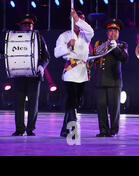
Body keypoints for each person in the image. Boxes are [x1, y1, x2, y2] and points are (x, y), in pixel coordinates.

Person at [54, 9, 94, 137]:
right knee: (72, 99)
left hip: (82, 71)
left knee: (76, 101)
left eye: (81, 20)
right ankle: (73, 127)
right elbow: (56, 53)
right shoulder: (64, 36)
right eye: (76, 20)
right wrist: (67, 46)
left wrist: (77, 18)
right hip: (71, 71)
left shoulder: (85, 35)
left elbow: (91, 31)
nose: (78, 22)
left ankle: (64, 129)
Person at [10, 14, 50, 136]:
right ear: (20, 26)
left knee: (33, 103)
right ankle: (19, 129)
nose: (27, 26)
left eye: (30, 24)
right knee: (19, 103)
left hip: (34, 75)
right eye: (25, 24)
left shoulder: (38, 38)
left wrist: (41, 66)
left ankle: (30, 129)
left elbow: (46, 56)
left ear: (33, 26)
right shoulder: (14, 37)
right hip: (19, 75)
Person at [92, 18, 128, 137]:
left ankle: (113, 130)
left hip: (114, 80)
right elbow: (94, 58)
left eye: (115, 31)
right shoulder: (100, 44)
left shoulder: (122, 45)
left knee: (114, 108)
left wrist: (115, 48)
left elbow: (124, 58)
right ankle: (103, 130)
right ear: (107, 33)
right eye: (110, 31)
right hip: (101, 79)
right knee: (101, 107)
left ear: (118, 33)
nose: (113, 33)